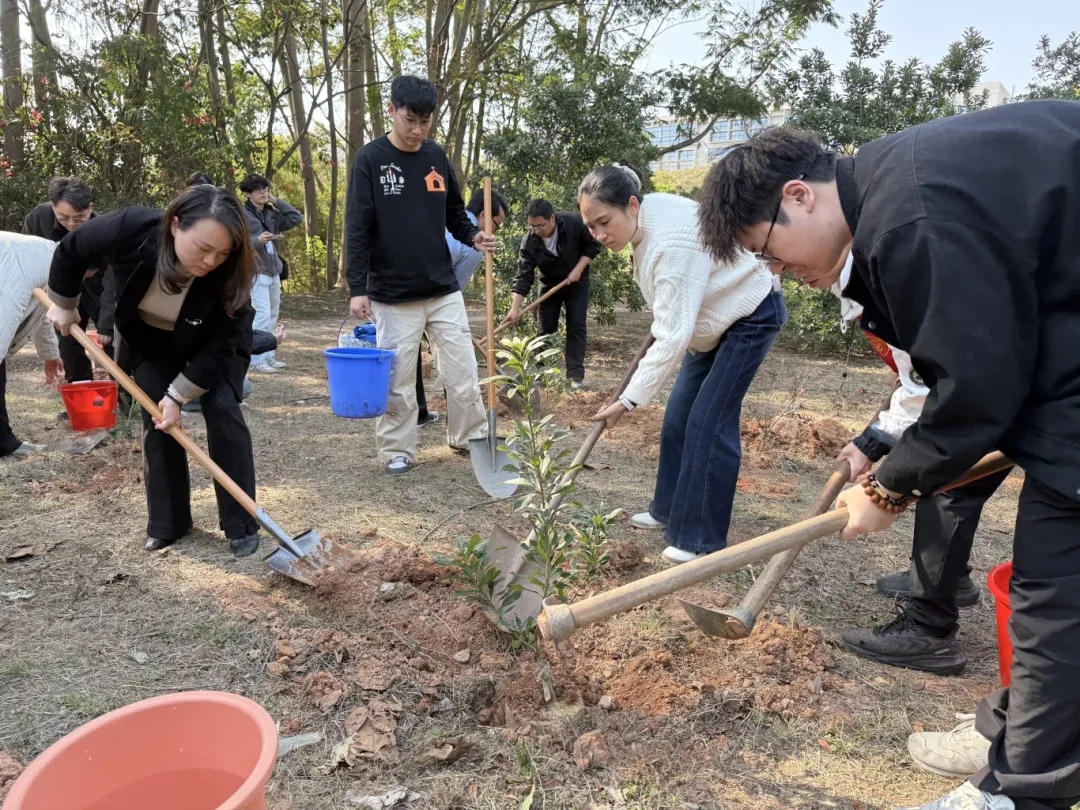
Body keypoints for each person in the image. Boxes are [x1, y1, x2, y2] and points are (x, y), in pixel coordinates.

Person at [695, 103, 1080, 810]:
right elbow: (952, 367)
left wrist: (887, 490)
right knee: (1056, 588)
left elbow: (978, 388)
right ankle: (1019, 737)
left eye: (768, 250)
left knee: (1055, 589)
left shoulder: (908, 221)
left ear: (798, 196)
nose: (777, 270)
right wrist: (883, 448)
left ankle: (1021, 788)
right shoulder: (896, 196)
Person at [578, 161, 783, 565]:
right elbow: (673, 318)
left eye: (604, 222)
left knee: (709, 421)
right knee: (678, 417)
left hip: (749, 315)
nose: (599, 235)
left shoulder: (672, 243)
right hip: (709, 322)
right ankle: (668, 509)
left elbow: (672, 335)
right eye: (590, 227)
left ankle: (700, 537)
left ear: (631, 205)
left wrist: (628, 400)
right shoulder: (646, 220)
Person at [46, 184, 261, 558]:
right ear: (175, 225)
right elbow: (71, 249)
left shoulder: (232, 274)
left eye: (222, 253)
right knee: (157, 420)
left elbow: (220, 349)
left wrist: (179, 395)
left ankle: (241, 523)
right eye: (203, 248)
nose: (210, 261)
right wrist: (65, 303)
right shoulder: (130, 228)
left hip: (210, 345)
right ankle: (168, 524)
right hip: (149, 341)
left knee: (223, 409)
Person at [826, 250, 1009, 677]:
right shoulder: (855, 272)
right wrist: (871, 441)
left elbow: (930, 391)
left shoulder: (891, 271)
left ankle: (930, 631)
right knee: (943, 478)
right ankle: (949, 580)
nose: (779, 269)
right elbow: (917, 380)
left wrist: (879, 464)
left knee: (949, 487)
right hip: (986, 382)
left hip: (996, 388)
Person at [344, 74, 495, 476]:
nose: (417, 130)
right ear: (391, 110)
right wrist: (357, 287)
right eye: (409, 120)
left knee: (463, 369)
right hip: (393, 293)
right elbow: (356, 229)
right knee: (398, 378)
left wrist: (474, 236)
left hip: (442, 287)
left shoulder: (436, 157)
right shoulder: (370, 160)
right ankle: (398, 449)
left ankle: (469, 436)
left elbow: (454, 214)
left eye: (425, 122)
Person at [413, 187, 510, 428]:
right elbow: (454, 286)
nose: (495, 232)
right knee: (456, 363)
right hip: (436, 298)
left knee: (409, 357)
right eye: (496, 225)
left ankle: (418, 414)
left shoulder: (445, 220)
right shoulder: (475, 241)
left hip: (406, 293)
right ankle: (460, 427)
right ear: (484, 215)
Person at [22, 177, 112, 384]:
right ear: (53, 207)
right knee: (67, 336)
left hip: (98, 286)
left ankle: (121, 392)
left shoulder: (104, 229)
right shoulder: (38, 219)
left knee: (111, 336)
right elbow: (28, 258)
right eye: (63, 217)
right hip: (60, 286)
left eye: (79, 218)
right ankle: (80, 386)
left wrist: (107, 324)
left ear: (90, 208)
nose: (71, 224)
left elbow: (113, 281)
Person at [506, 199, 602, 389]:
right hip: (549, 285)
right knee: (545, 330)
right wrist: (514, 309)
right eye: (532, 226)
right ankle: (542, 374)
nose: (536, 230)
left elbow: (592, 246)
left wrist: (578, 269)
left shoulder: (574, 223)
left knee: (576, 327)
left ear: (552, 218)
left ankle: (574, 377)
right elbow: (524, 276)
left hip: (577, 283)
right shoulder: (529, 241)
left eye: (540, 226)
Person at [0, 233, 64, 458]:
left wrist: (50, 354)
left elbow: (42, 308)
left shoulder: (49, 261)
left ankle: (4, 443)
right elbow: (7, 309)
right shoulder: (29, 261)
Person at [239, 173, 302, 373]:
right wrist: (258, 241)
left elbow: (296, 217)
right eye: (258, 190)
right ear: (248, 193)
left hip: (274, 270)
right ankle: (255, 360)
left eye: (265, 188)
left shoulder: (271, 213)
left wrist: (276, 201)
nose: (263, 192)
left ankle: (268, 356)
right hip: (256, 271)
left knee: (273, 315)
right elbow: (236, 242)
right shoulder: (243, 214)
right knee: (261, 315)